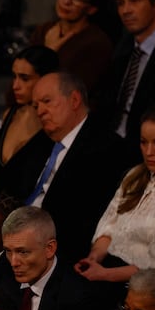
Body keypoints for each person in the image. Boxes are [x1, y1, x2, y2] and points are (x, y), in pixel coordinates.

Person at [74, 103, 155, 310]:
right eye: (143, 142)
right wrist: (93, 259)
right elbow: (109, 226)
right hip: (106, 267)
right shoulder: (135, 175)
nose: (149, 152)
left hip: (139, 284)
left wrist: (105, 275)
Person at [21, 70, 130, 265]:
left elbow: (87, 218)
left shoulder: (108, 148)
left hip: (59, 249)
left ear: (74, 100)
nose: (40, 111)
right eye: (36, 105)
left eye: (47, 101)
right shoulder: (41, 141)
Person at [95, 0, 155, 166]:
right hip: (109, 144)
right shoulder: (123, 46)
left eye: (135, 0)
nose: (125, 10)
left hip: (147, 152)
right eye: (120, 3)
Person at [0, 45, 59, 208]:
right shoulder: (9, 114)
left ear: (46, 79)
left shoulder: (54, 127)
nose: (15, 85)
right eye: (14, 76)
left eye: (24, 78)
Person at [27, 0, 112, 96]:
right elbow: (20, 83)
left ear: (91, 9)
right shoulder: (43, 30)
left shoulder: (97, 43)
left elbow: (67, 94)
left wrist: (49, 53)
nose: (66, 2)